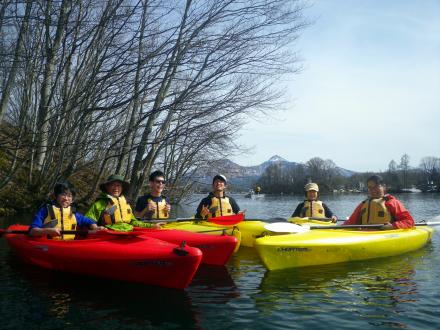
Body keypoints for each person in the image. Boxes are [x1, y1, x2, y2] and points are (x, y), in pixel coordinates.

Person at [30, 182, 104, 240]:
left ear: (72, 200)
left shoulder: (73, 213)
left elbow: (89, 221)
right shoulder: (45, 210)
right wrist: (48, 231)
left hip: (68, 244)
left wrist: (95, 227)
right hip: (49, 243)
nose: (66, 198)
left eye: (69, 196)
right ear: (55, 196)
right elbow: (32, 231)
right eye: (63, 194)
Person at [85, 174, 160, 230]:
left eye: (118, 186)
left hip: (128, 232)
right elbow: (88, 220)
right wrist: (95, 227)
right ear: (107, 187)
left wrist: (151, 226)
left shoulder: (126, 203)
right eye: (113, 185)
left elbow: (133, 222)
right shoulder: (100, 203)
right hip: (109, 233)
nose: (116, 188)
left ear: (122, 188)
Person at [343, 175, 414, 229]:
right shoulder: (363, 204)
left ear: (384, 187)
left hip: (385, 235)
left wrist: (393, 226)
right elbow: (350, 222)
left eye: (376, 186)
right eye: (370, 188)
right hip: (365, 234)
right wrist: (335, 229)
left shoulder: (393, 203)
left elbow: (409, 221)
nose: (373, 190)